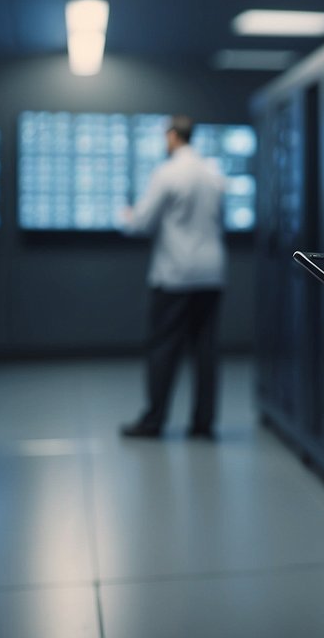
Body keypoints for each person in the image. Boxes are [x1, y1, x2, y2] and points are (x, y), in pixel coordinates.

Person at [119, 115, 227, 440]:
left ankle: (154, 420)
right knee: (206, 349)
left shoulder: (167, 172)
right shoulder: (213, 172)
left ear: (172, 137)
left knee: (164, 348)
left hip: (176, 274)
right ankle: (203, 423)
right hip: (211, 272)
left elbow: (141, 222)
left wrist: (127, 216)